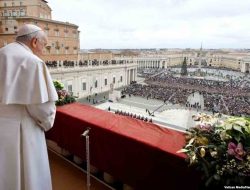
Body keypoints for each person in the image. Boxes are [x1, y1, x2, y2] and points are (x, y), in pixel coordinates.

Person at [0, 24, 58, 190]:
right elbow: (41, 108)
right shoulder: (32, 61)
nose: (43, 50)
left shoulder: (1, 53)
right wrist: (48, 121)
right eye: (44, 45)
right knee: (26, 175)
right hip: (22, 129)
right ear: (34, 41)